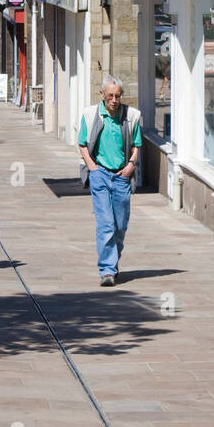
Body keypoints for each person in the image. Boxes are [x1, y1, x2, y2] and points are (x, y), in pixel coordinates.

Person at [78, 77, 142, 288]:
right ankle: (107, 270)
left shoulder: (130, 116)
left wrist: (131, 165)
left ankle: (113, 261)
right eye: (110, 96)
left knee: (120, 226)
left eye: (118, 96)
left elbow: (136, 145)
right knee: (106, 224)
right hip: (101, 174)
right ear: (102, 94)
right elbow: (82, 144)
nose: (114, 100)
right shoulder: (91, 115)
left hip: (122, 175)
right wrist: (92, 168)